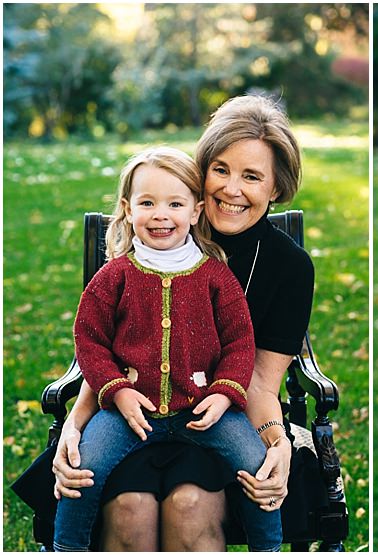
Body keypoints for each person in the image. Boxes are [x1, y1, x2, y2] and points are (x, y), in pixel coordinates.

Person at [50, 95, 314, 550]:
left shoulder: (285, 267)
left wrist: (277, 442)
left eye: (252, 176)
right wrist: (75, 425)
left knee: (189, 507)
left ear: (275, 188)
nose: (231, 189)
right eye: (221, 170)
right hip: (133, 411)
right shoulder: (157, 230)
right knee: (130, 511)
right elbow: (103, 341)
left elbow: (261, 382)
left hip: (218, 415)